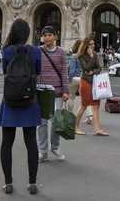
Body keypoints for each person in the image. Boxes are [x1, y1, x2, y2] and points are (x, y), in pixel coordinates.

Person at [0, 18, 41, 195]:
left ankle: (8, 183)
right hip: (29, 99)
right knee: (31, 142)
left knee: (7, 142)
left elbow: (5, 73)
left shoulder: (7, 51)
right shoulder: (36, 51)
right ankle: (32, 183)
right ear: (28, 33)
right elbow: (38, 74)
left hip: (10, 100)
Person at [38, 26, 69, 162]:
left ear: (55, 37)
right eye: (45, 36)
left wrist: (66, 90)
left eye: (50, 35)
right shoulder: (37, 51)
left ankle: (55, 147)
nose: (47, 38)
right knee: (42, 122)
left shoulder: (61, 53)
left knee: (56, 120)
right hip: (42, 91)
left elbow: (64, 72)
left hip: (57, 91)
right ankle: (43, 150)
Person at [75, 36, 108, 136]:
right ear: (86, 46)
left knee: (96, 106)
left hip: (94, 82)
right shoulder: (81, 56)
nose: (93, 46)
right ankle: (75, 127)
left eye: (93, 44)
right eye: (91, 44)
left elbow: (99, 68)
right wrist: (91, 57)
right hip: (85, 82)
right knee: (84, 106)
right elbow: (86, 68)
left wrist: (93, 72)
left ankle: (97, 129)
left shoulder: (95, 54)